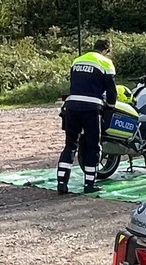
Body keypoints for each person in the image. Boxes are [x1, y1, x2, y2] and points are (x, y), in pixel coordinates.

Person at [57, 39, 117, 195]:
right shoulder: (106, 63)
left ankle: (62, 182)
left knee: (70, 145)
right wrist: (110, 107)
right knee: (93, 146)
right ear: (106, 50)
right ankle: (89, 183)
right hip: (91, 108)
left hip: (72, 106)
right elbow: (111, 92)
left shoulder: (78, 60)